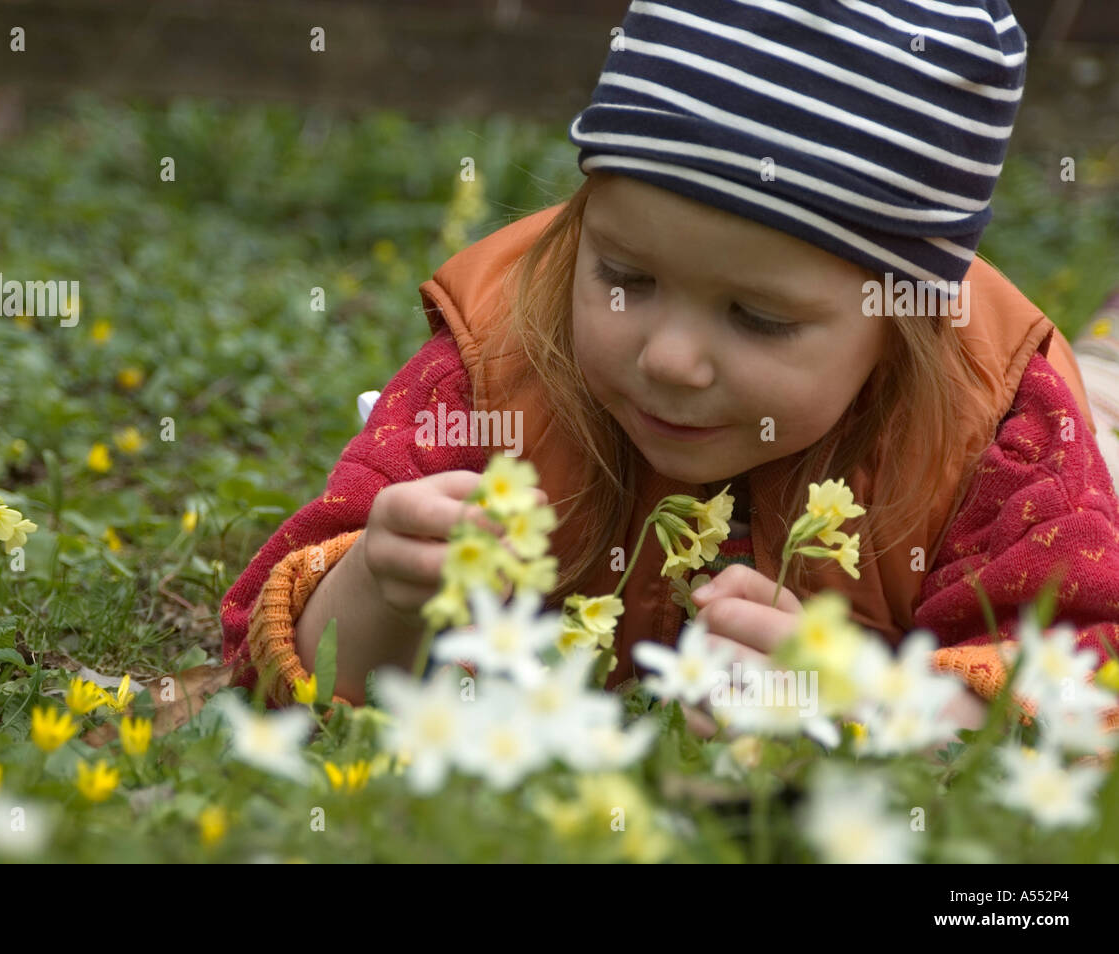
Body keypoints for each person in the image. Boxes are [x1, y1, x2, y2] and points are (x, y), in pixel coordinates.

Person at [220, 0, 1119, 739]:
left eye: (758, 319)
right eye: (624, 277)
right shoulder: (496, 367)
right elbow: (273, 664)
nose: (669, 358)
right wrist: (384, 587)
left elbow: (1087, 674)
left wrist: (878, 711)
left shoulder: (999, 424)